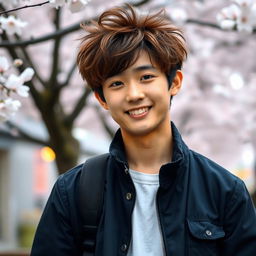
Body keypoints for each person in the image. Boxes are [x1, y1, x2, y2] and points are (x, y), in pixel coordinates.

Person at [31, 4, 256, 256]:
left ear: (175, 83)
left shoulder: (224, 191)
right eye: (117, 83)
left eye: (146, 77)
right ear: (102, 98)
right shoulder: (72, 192)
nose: (134, 94)